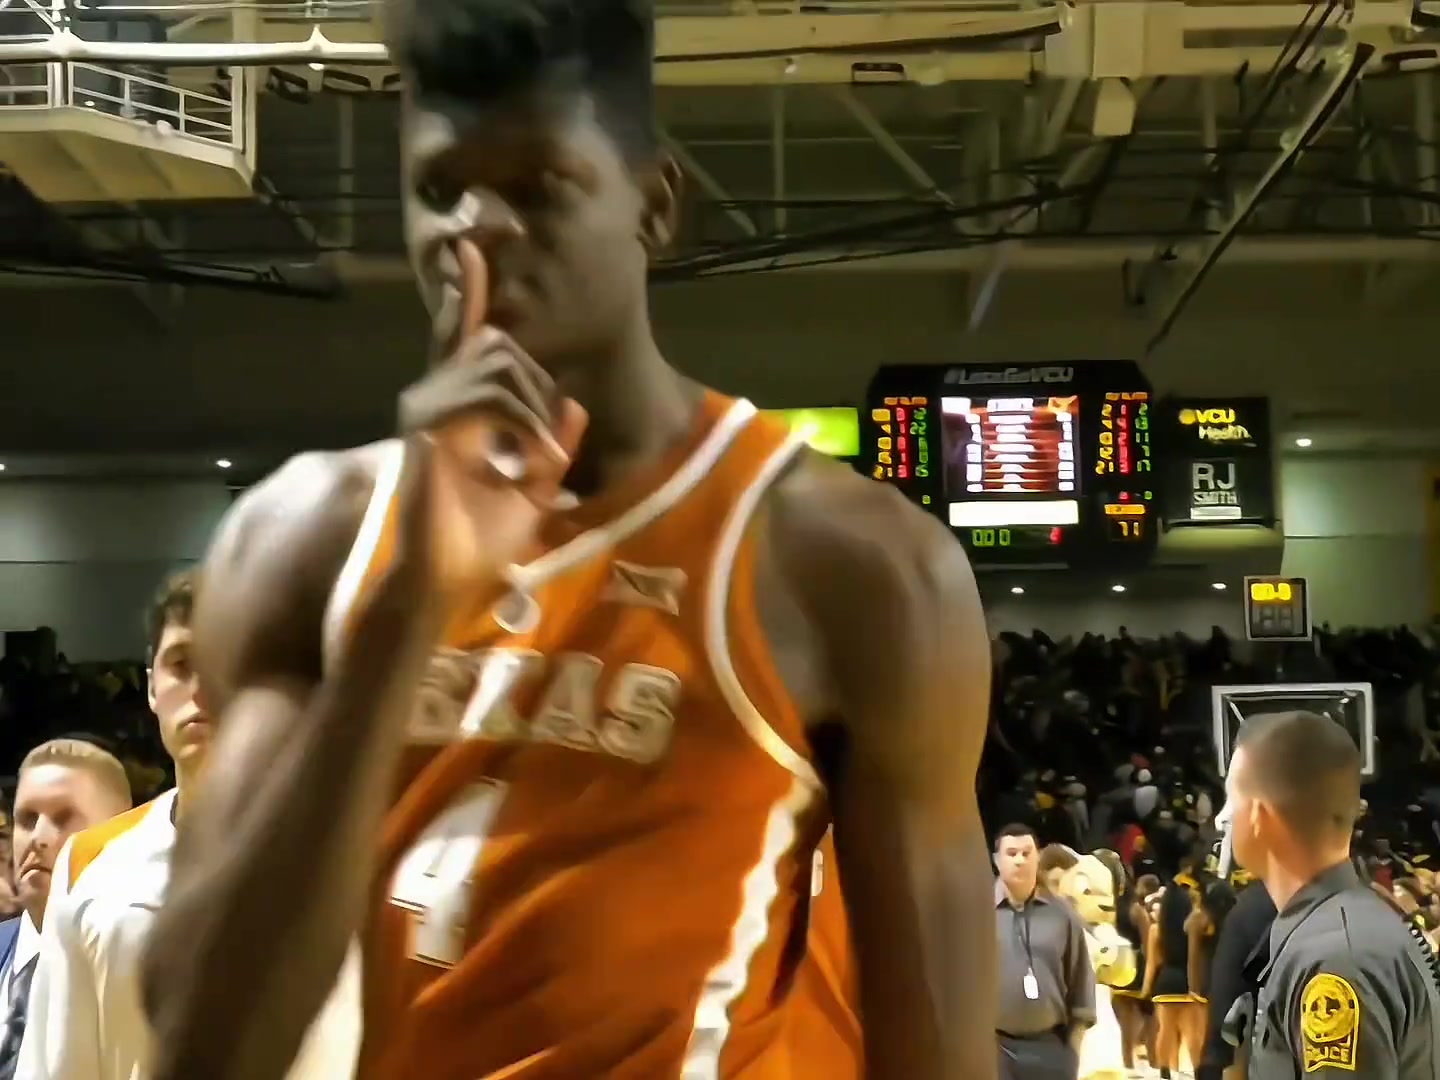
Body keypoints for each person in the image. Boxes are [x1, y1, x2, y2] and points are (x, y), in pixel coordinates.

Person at [137, 1, 996, 1077]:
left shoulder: (853, 566)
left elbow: (939, 1058)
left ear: (655, 205)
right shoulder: (301, 540)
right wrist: (401, 617)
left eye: (539, 187)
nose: (477, 228)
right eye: (440, 189)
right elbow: (202, 1047)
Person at [1224, 710, 1440, 1079]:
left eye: (1230, 797)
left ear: (1258, 815)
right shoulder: (1340, 928)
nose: (1222, 817)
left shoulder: (1334, 956)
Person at [0, 739, 131, 1080]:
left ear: (121, 836)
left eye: (64, 818)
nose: (38, 837)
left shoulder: (142, 964)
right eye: (27, 819)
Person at [994, 824, 1096, 1080]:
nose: (1019, 860)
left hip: (1051, 1048)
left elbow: (1081, 980)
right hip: (995, 1049)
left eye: (1026, 853)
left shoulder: (1062, 914)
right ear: (997, 860)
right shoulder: (978, 913)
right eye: (1011, 853)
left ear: (1037, 858)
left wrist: (1072, 1052)